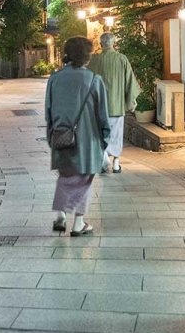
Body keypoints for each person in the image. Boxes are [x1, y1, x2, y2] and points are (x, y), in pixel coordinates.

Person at [46, 35, 110, 237]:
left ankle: (61, 215)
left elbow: (48, 111)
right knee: (84, 178)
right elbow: (103, 116)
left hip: (61, 136)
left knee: (66, 176)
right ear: (87, 56)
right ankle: (78, 223)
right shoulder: (94, 80)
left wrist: (52, 137)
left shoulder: (54, 79)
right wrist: (104, 141)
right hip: (87, 139)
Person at [89, 31, 139, 174]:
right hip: (117, 105)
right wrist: (131, 100)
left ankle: (103, 158)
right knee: (116, 134)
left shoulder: (94, 60)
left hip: (99, 106)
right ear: (114, 43)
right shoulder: (122, 59)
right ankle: (116, 163)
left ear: (101, 44)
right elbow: (130, 81)